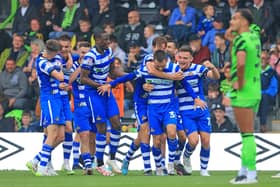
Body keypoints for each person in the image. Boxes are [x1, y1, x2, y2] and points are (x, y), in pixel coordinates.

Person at [80, 32, 123, 176]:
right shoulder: (90, 57)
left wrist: (127, 77)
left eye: (109, 39)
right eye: (105, 40)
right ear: (96, 40)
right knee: (101, 126)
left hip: (106, 90)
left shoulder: (109, 51)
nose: (108, 42)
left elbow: (112, 72)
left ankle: (112, 158)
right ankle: (99, 163)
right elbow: (83, 79)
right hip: (93, 94)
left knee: (117, 123)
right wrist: (99, 85)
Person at [176, 45, 220, 177]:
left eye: (185, 58)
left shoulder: (198, 68)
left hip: (201, 110)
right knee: (193, 141)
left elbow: (215, 77)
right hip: (185, 111)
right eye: (180, 57)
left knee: (206, 141)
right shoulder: (174, 70)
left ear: (191, 59)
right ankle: (186, 156)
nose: (182, 60)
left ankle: (204, 170)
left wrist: (212, 67)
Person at [228, 9, 261, 184]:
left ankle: (251, 174)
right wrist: (234, 28)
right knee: (247, 134)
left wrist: (238, 83)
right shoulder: (254, 36)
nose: (231, 21)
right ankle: (243, 171)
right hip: (255, 89)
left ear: (244, 21)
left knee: (247, 135)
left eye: (235, 18)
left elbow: (240, 62)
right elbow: (230, 35)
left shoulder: (241, 40)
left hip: (243, 92)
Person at [26, 39, 65, 176]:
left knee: (61, 136)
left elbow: (65, 65)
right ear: (52, 52)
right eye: (57, 52)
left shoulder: (55, 57)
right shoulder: (42, 62)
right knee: (51, 132)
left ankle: (36, 159)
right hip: (48, 98)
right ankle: (43, 167)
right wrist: (60, 69)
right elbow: (60, 76)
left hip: (58, 97)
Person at [69, 41, 95, 174]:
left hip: (94, 104)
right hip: (80, 105)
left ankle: (92, 160)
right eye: (83, 52)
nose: (85, 55)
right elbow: (69, 80)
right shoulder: (73, 65)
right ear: (78, 52)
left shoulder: (94, 64)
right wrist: (81, 67)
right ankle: (87, 165)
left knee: (94, 136)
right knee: (83, 134)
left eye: (88, 53)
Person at [257, 50, 278, 132]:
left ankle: (263, 124)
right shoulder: (254, 72)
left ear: (268, 60)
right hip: (256, 95)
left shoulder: (272, 72)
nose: (262, 60)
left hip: (269, 97)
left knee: (264, 97)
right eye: (260, 58)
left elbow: (274, 89)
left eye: (264, 58)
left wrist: (261, 93)